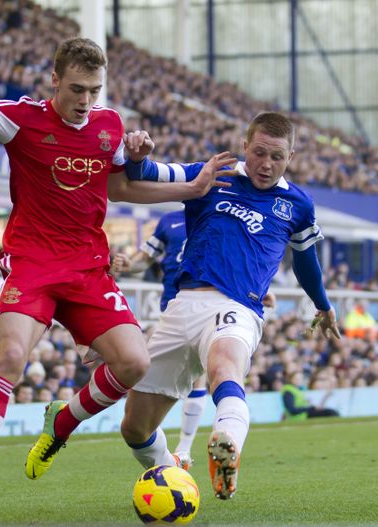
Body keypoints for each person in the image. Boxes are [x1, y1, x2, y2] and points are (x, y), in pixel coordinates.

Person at [0, 37, 228, 518]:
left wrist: (191, 188)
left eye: (94, 90)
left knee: (135, 365)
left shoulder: (110, 125)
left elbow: (119, 185)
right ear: (55, 80)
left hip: (87, 267)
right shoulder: (21, 118)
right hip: (34, 262)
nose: (86, 100)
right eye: (77, 89)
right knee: (11, 355)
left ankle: (63, 421)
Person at [118, 111, 341, 500]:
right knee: (134, 428)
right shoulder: (211, 173)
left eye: (277, 157)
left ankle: (226, 443)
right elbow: (146, 173)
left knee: (224, 368)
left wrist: (322, 305)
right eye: (259, 153)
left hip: (238, 308)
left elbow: (306, 260)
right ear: (244, 146)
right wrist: (137, 156)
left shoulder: (297, 205)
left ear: (291, 156)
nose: (266, 164)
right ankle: (172, 475)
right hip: (181, 305)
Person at [113, 211, 277, 467]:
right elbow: (144, 259)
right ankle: (174, 459)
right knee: (142, 404)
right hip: (175, 306)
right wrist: (127, 265)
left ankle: (185, 449)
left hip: (215, 307)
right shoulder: (168, 221)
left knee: (206, 373)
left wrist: (257, 290)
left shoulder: (226, 212)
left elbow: (242, 262)